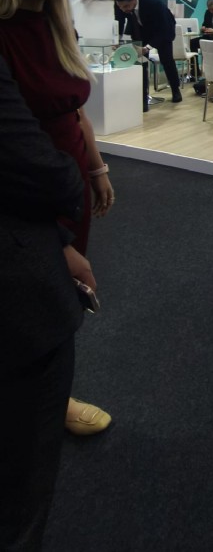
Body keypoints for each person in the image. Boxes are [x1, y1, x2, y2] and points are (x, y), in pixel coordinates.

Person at [0, 0, 113, 439]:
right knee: (38, 294)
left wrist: (96, 167)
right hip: (27, 194)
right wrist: (55, 240)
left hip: (67, 182)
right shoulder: (5, 37)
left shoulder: (55, 24)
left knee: (60, 294)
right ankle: (42, 402)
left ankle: (47, 392)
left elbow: (74, 109)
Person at [0, 54, 98, 550]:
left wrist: (94, 166)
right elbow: (37, 168)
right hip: (22, 257)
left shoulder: (51, 33)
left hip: (44, 223)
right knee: (22, 482)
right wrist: (70, 176)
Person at [114, 0, 183, 105]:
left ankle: (175, 89)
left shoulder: (154, 3)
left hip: (162, 29)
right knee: (140, 62)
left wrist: (147, 47)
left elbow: (164, 29)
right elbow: (119, 21)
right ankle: (142, 94)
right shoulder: (120, 4)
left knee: (167, 60)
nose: (123, 10)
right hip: (140, 30)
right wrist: (117, 40)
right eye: (120, 7)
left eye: (126, 6)